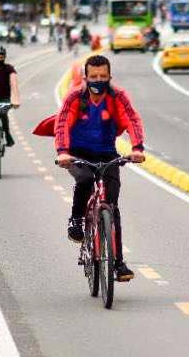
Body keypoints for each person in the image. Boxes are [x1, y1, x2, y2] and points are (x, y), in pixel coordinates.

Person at [54, 54, 146, 282]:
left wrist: (137, 148)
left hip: (107, 154)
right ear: (86, 77)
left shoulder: (118, 96)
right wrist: (63, 152)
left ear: (109, 76)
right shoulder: (76, 96)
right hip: (77, 154)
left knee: (112, 208)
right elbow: (63, 122)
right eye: (93, 76)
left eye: (103, 76)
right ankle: (76, 219)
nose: (98, 79)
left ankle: (118, 263)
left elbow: (131, 120)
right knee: (84, 180)